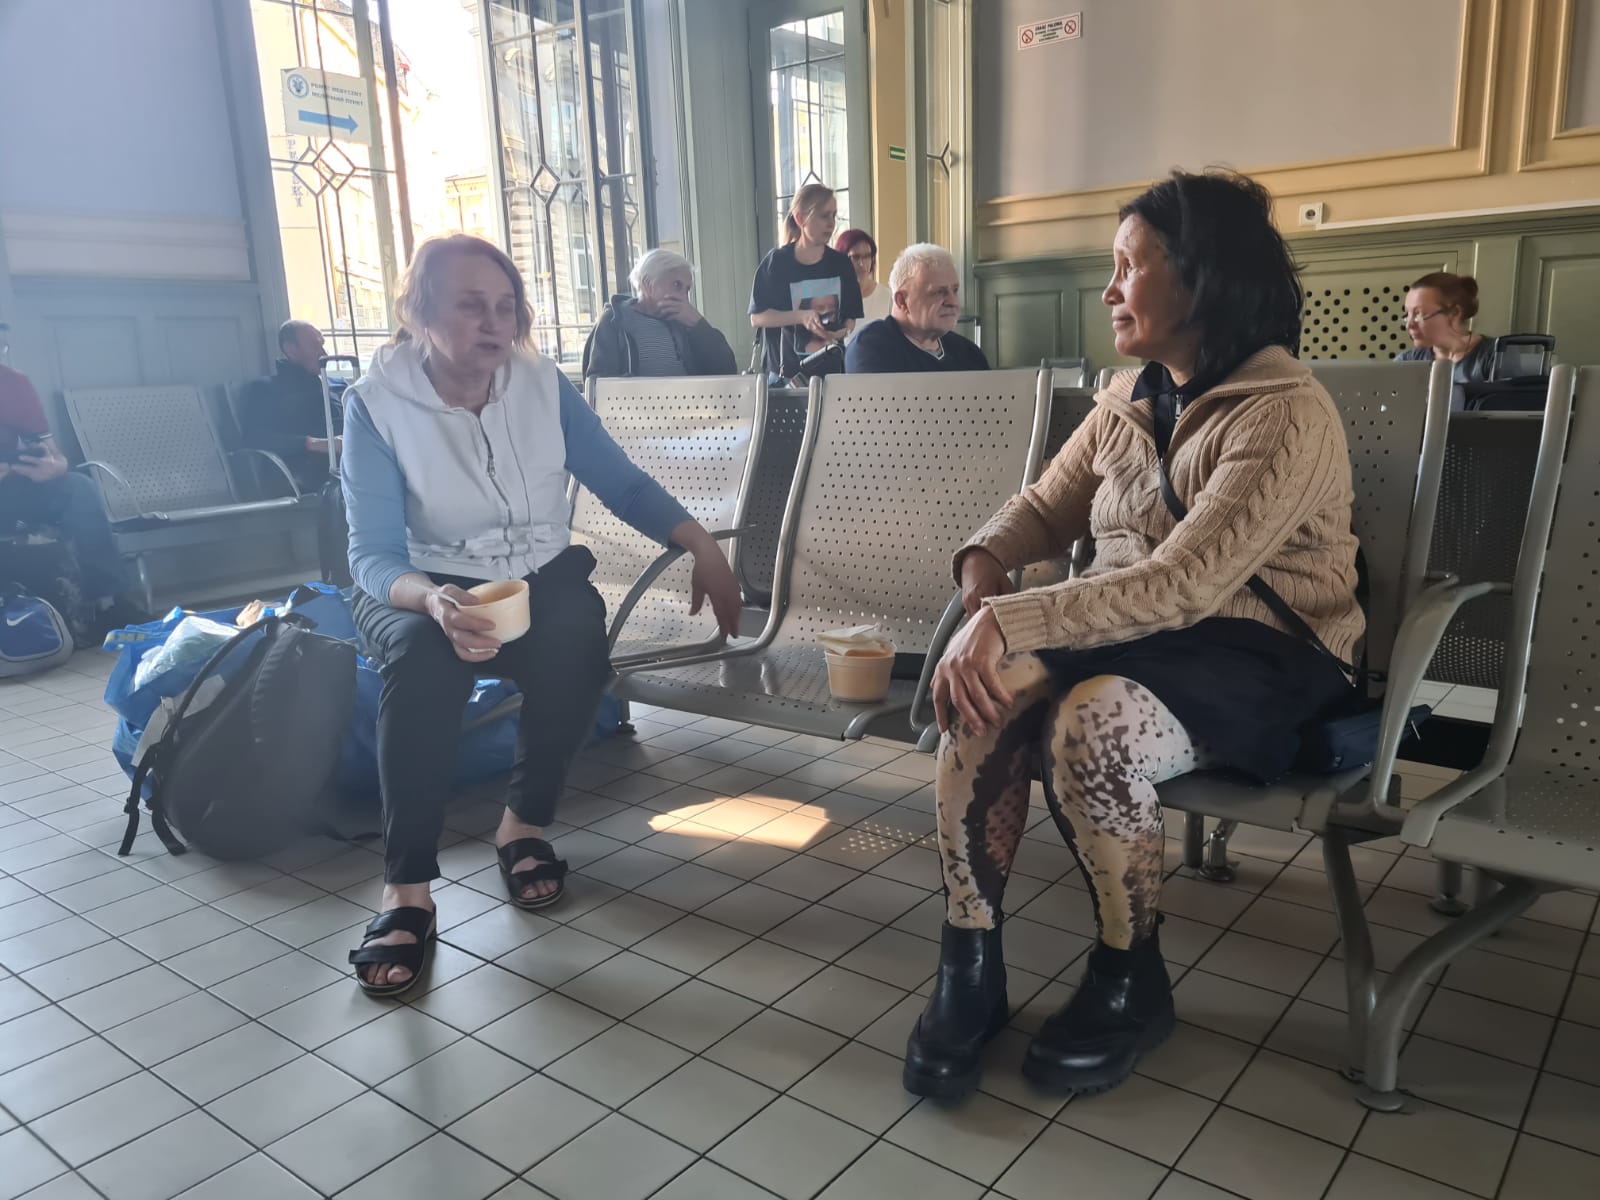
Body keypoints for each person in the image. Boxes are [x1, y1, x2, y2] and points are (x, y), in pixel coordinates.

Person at [903, 170, 1361, 1101]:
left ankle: (1129, 975)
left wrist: (1008, 619)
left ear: (1203, 280)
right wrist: (986, 561)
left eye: (1128, 266)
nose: (1109, 287)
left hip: (1265, 652)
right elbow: (1044, 506)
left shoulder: (1284, 413)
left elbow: (1187, 583)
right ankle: (970, 965)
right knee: (983, 701)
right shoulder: (1127, 399)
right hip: (1130, 632)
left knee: (1092, 721)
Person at [341, 234, 742, 996]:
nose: (495, 323)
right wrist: (432, 599)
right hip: (419, 582)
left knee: (575, 645)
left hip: (536, 570)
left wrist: (701, 544)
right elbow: (372, 554)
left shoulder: (540, 385)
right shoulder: (375, 406)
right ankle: (406, 890)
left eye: (506, 307)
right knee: (424, 669)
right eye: (470, 305)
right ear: (420, 312)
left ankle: (522, 824)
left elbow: (620, 484)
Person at [0, 363, 142, 628]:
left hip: (12, 487)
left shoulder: (11, 382)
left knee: (79, 488)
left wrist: (53, 467)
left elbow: (54, 455)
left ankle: (109, 604)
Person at [749, 183, 863, 382]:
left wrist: (840, 331)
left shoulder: (842, 264)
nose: (831, 223)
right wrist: (801, 316)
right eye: (823, 216)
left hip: (832, 375)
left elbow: (850, 319)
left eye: (834, 215)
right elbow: (757, 318)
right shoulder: (777, 262)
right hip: (785, 378)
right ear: (801, 219)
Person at [581, 248, 737, 379]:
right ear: (647, 284)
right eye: (677, 285)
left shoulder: (684, 323)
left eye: (687, 289)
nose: (684, 297)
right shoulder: (614, 320)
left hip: (691, 411)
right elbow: (598, 382)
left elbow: (727, 371)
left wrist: (699, 324)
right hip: (635, 413)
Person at [846, 243, 988, 373]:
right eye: (939, 292)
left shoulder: (969, 353)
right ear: (902, 301)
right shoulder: (871, 348)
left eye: (955, 290)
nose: (953, 302)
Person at [240, 319, 342, 491]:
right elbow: (255, 436)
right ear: (291, 351)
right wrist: (314, 443)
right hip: (308, 474)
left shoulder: (337, 385)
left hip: (351, 464)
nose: (323, 353)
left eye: (322, 345)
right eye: (314, 346)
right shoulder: (266, 389)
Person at [1395, 271, 1495, 387]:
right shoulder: (1406, 361)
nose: (1409, 325)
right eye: (1407, 314)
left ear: (1454, 312)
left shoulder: (1496, 356)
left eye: (1419, 314)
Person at [835, 228, 893, 339]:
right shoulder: (832, 299)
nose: (862, 264)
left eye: (867, 256)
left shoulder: (887, 297)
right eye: (855, 257)